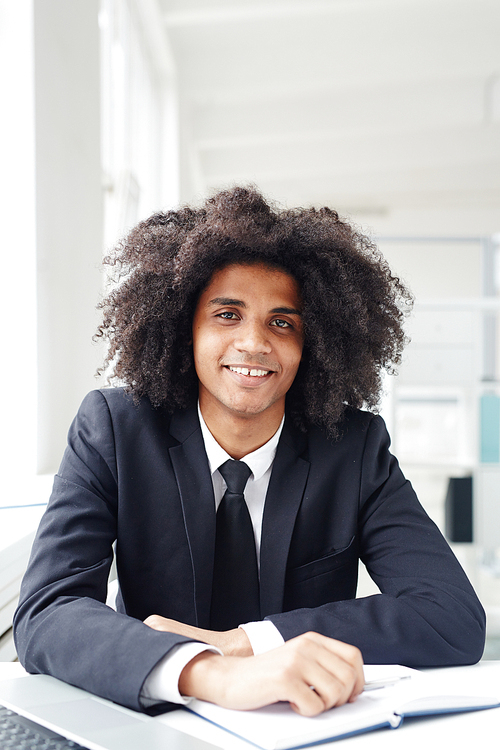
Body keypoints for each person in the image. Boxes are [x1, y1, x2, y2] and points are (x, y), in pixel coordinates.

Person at [14, 186, 485, 718]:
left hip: (307, 724)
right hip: (157, 724)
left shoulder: (353, 448)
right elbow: (48, 610)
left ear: (313, 345)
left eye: (282, 322)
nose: (255, 343)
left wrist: (249, 644)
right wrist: (207, 670)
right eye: (227, 315)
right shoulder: (115, 431)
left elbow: (451, 617)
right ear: (182, 328)